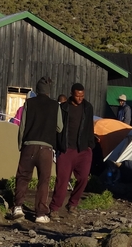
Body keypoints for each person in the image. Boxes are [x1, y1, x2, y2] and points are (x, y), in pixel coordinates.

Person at [11, 77, 63, 224]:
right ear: (48, 91)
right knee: (44, 181)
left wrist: (21, 144)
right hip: (46, 148)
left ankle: (18, 207)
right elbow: (60, 127)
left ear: (37, 89)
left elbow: (23, 126)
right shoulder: (55, 105)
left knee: (23, 176)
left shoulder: (29, 103)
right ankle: (40, 214)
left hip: (29, 145)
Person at [49, 82, 95, 217]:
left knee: (83, 178)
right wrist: (58, 145)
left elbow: (89, 127)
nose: (80, 98)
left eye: (82, 96)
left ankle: (73, 204)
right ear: (71, 94)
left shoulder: (88, 107)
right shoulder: (63, 108)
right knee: (62, 181)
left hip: (83, 150)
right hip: (66, 149)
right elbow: (57, 128)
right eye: (77, 96)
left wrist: (90, 145)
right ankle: (55, 208)